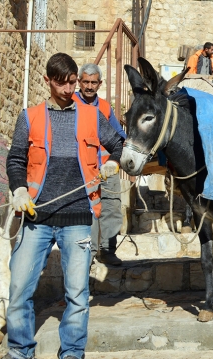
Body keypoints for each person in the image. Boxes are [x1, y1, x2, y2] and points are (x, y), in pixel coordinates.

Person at [4, 53, 123, 359]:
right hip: (37, 216)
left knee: (78, 296)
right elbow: (16, 158)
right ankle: (19, 351)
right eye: (62, 83)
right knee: (18, 289)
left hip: (78, 217)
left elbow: (120, 144)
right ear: (48, 81)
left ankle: (72, 352)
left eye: (73, 82)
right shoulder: (29, 117)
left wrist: (114, 161)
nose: (70, 89)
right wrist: (19, 189)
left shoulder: (92, 116)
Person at [73, 63, 126, 266]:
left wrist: (128, 144)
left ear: (100, 84)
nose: (89, 86)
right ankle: (90, 252)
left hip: (107, 166)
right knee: (88, 211)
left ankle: (107, 250)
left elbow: (118, 134)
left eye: (93, 82)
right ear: (79, 82)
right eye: (85, 81)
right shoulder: (71, 103)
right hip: (83, 168)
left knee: (111, 207)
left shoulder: (104, 107)